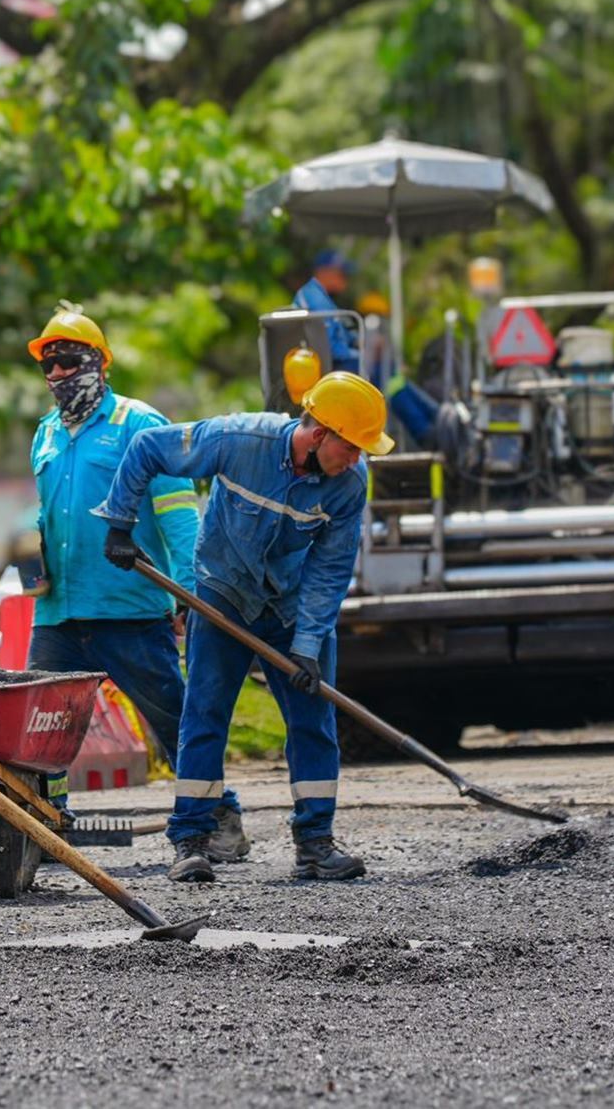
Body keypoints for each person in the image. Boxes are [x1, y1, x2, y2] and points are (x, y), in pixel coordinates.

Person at [94, 372, 391, 884]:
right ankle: (191, 840)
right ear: (319, 434)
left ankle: (315, 844)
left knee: (313, 720)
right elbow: (147, 448)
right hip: (224, 594)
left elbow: (330, 571)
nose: (358, 459)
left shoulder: (348, 487)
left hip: (296, 609)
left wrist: (306, 647)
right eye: (353, 446)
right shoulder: (238, 440)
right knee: (205, 714)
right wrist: (120, 524)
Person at [22, 304, 250, 861]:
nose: (57, 375)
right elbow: (46, 514)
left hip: (129, 606)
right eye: (48, 365)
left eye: (69, 361)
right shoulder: (47, 432)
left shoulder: (139, 426)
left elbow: (177, 513)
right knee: (38, 728)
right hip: (59, 613)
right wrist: (31, 555)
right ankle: (49, 821)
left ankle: (221, 817)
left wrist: (189, 590)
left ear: (101, 362)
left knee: (175, 718)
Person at [294, 249, 360, 374]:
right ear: (323, 272)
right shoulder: (315, 299)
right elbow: (327, 347)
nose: (346, 279)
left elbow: (341, 335)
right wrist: (359, 353)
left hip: (333, 363)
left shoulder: (322, 297)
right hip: (328, 368)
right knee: (375, 364)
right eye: (341, 274)